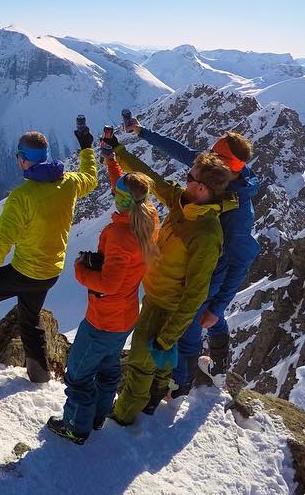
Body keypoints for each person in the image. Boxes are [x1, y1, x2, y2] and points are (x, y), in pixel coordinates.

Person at [0, 125, 98, 383]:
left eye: (17, 157)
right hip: (51, 272)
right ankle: (39, 375)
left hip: (26, 271)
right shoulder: (69, 183)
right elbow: (90, 177)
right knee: (29, 319)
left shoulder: (22, 196)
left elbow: (1, 240)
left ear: (22, 159)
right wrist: (87, 149)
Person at [125, 120, 260, 394]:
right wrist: (143, 132)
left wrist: (218, 305)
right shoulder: (215, 173)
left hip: (208, 277)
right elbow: (180, 151)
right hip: (196, 267)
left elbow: (241, 260)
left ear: (227, 163)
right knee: (204, 320)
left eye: (213, 150)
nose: (205, 152)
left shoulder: (238, 212)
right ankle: (219, 358)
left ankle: (180, 385)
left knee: (191, 331)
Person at [108, 142, 232, 425]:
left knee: (141, 361)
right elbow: (153, 179)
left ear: (202, 188)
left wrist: (168, 335)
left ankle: (122, 417)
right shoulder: (183, 202)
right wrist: (119, 152)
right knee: (156, 362)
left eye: (190, 177)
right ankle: (152, 400)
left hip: (166, 306)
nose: (184, 179)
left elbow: (197, 292)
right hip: (154, 293)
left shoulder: (206, 233)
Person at [46, 139, 159, 444]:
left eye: (115, 195)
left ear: (121, 201)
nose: (112, 195)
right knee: (108, 370)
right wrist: (111, 163)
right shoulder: (147, 218)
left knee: (79, 374)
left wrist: (82, 270)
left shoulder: (121, 236)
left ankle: (76, 427)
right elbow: (126, 189)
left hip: (102, 319)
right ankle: (97, 417)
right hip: (124, 319)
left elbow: (108, 284)